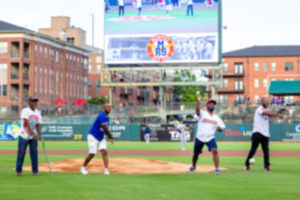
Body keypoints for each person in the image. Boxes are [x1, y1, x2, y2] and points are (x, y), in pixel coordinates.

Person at [187, 94, 225, 175]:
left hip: (210, 137)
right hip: (200, 137)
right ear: (207, 105)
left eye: (213, 104)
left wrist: (219, 129)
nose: (212, 105)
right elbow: (197, 112)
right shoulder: (203, 113)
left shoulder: (216, 118)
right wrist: (198, 102)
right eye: (210, 104)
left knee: (215, 150)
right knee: (196, 155)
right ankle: (193, 166)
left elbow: (221, 128)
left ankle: (217, 169)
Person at [244, 97, 283, 172]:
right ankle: (246, 165)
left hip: (265, 134)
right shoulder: (260, 109)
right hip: (257, 132)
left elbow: (268, 114)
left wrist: (274, 115)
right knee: (253, 150)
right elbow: (266, 113)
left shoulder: (266, 110)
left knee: (266, 151)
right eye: (266, 101)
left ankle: (266, 167)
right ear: (262, 102)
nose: (268, 103)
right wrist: (277, 114)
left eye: (268, 102)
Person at [80, 103, 114, 175]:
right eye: (107, 107)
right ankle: (83, 167)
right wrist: (110, 136)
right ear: (103, 108)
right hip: (93, 136)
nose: (109, 108)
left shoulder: (107, 118)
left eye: (110, 107)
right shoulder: (101, 115)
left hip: (101, 137)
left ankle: (106, 170)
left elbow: (105, 129)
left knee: (104, 151)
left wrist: (108, 136)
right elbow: (104, 127)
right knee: (92, 153)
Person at [16, 96, 43, 176]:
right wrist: (34, 134)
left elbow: (37, 125)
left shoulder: (38, 112)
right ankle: (18, 171)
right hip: (23, 136)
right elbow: (27, 123)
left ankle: (35, 171)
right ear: (29, 102)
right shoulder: (25, 111)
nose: (34, 103)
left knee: (34, 154)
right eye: (32, 101)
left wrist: (40, 135)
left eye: (35, 101)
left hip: (33, 138)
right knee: (21, 154)